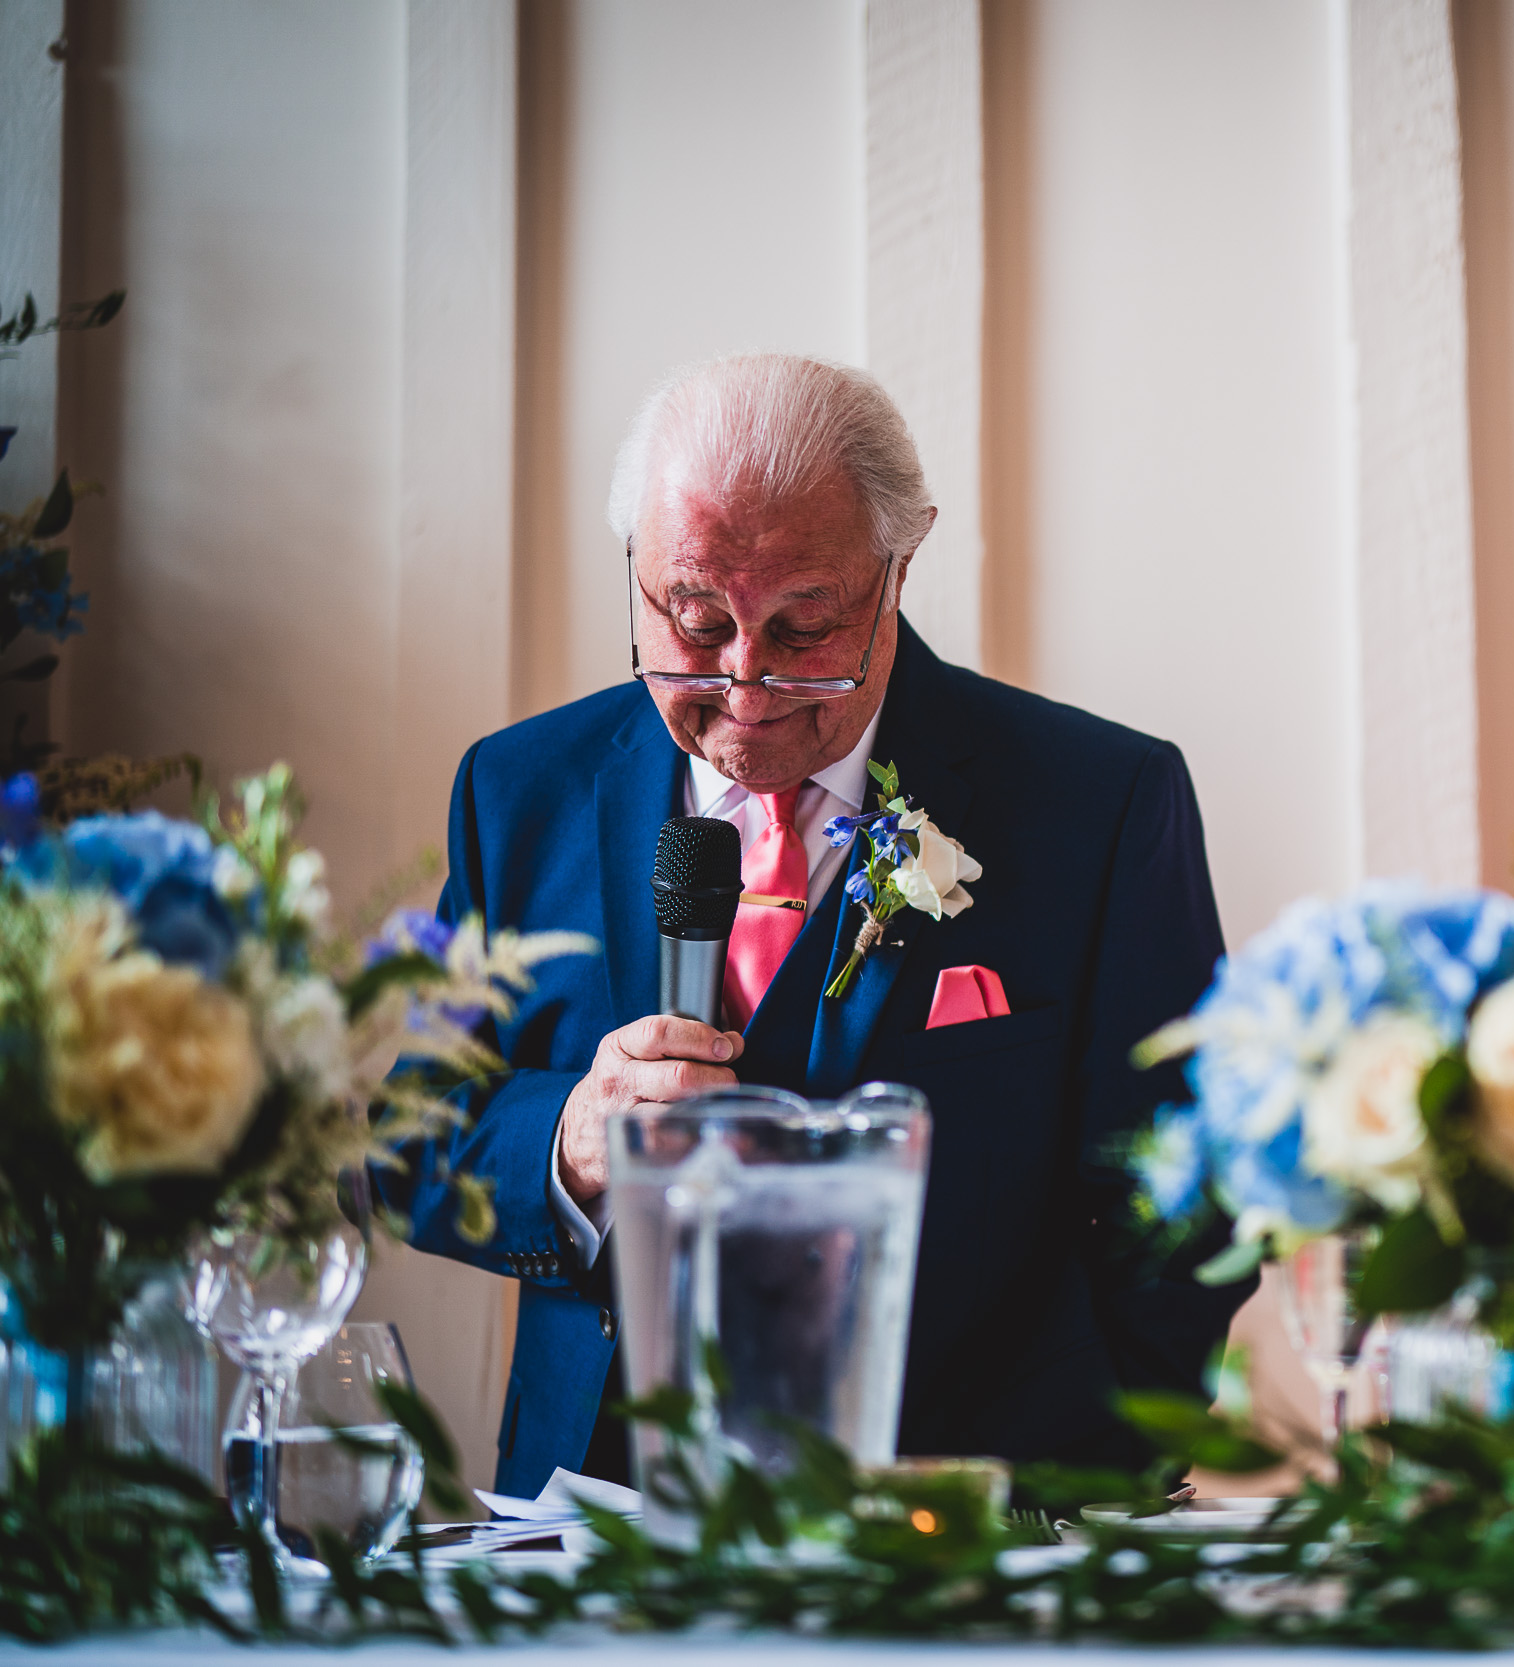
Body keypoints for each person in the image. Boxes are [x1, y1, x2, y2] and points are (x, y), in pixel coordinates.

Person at [386, 354, 1250, 1495]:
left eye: (802, 628)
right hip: (597, 1526)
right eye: (692, 620)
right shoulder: (518, 790)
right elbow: (412, 1143)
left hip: (974, 1535)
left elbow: (1192, 1187)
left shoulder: (1098, 803)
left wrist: (1089, 1475)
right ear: (634, 568)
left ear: (897, 569)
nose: (743, 684)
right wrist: (573, 1143)